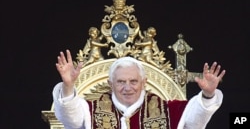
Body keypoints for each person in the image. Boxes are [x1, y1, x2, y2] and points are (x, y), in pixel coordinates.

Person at [53, 49, 226, 129]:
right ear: (111, 84)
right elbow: (71, 119)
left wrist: (208, 94)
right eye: (121, 82)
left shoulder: (169, 111)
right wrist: (68, 86)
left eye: (133, 81)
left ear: (144, 82)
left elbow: (195, 121)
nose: (127, 87)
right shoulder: (91, 111)